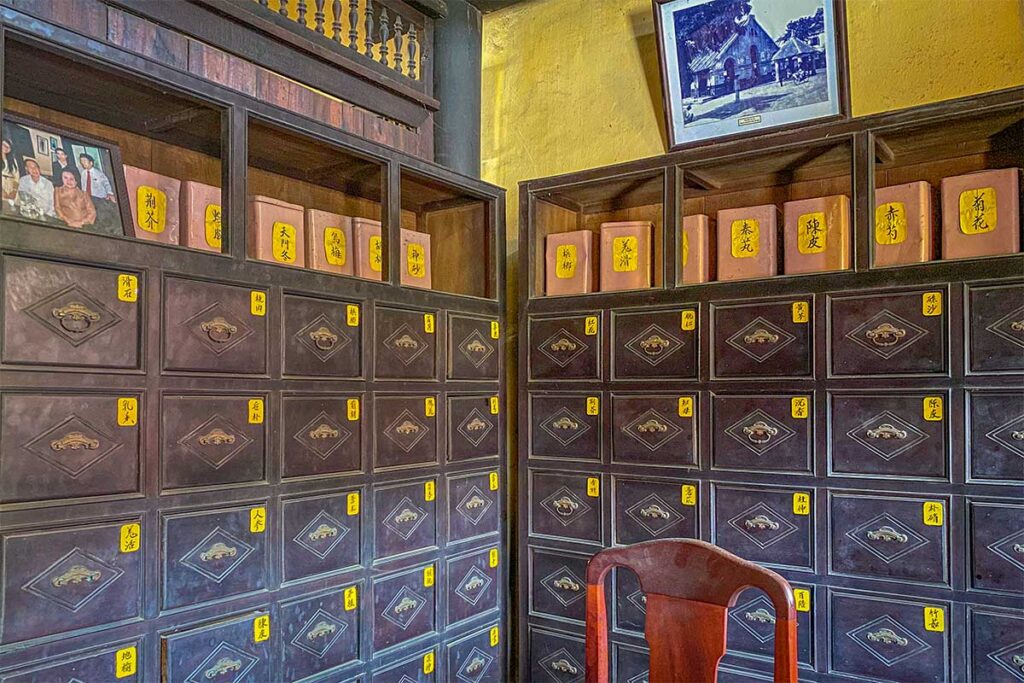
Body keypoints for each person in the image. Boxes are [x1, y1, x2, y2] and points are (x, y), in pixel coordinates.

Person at [78, 152, 119, 232]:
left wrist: (110, 193)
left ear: (91, 163)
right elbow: (83, 185)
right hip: (88, 197)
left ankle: (105, 229)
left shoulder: (98, 173)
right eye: (81, 161)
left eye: (85, 161)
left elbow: (106, 184)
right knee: (91, 213)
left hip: (99, 197)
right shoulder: (83, 173)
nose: (83, 163)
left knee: (100, 213)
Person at [2, 139, 21, 207]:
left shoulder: (13, 160)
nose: (6, 148)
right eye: (4, 145)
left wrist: (14, 191)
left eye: (8, 147)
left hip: (11, 185)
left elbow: (17, 177)